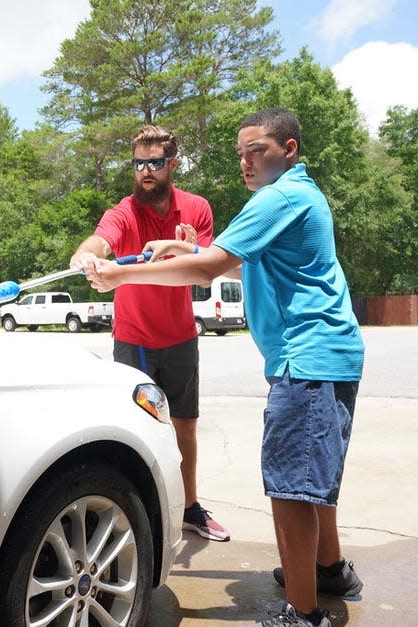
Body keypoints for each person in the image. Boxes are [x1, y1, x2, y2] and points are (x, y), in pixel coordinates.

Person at [81, 108, 365, 627]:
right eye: (241, 153)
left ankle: (303, 615)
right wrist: (184, 246)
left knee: (291, 487)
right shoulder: (300, 194)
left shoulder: (277, 198)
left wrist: (124, 278)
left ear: (290, 148)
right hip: (328, 354)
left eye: (257, 151)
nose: (245, 162)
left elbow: (211, 269)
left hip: (308, 358)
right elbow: (236, 259)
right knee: (311, 478)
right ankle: (329, 570)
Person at [70, 125, 230, 542]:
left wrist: (191, 248)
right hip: (133, 338)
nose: (145, 171)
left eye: (155, 163)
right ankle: (136, 511)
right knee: (133, 428)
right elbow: (100, 240)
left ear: (172, 164)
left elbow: (206, 272)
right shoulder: (125, 210)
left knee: (184, 425)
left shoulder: (196, 209)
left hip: (180, 337)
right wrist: (86, 255)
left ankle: (190, 507)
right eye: (138, 163)